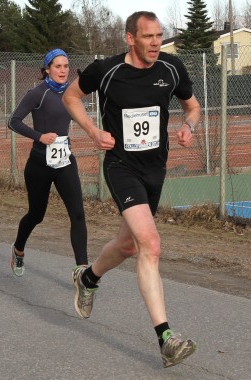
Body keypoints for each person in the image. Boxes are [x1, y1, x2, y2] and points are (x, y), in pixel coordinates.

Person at [62, 11, 201, 368]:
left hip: (155, 169)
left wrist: (189, 126)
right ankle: (166, 338)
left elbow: (193, 106)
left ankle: (88, 278)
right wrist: (93, 132)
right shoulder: (106, 70)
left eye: (159, 36)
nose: (156, 43)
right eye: (148, 37)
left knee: (127, 244)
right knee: (150, 245)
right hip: (121, 167)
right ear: (130, 38)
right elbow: (70, 98)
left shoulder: (171, 69)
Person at [8, 48, 88, 278]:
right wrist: (39, 136)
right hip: (39, 165)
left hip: (64, 161)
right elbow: (13, 121)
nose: (63, 70)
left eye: (66, 66)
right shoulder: (38, 93)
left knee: (78, 214)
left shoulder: (71, 94)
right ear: (46, 69)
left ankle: (81, 271)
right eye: (57, 66)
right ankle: (18, 248)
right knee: (36, 214)